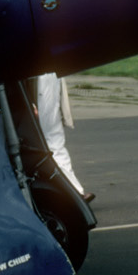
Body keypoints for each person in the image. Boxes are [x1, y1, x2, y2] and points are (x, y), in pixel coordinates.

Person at [35, 72, 92, 203]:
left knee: (54, 141)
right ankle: (73, 192)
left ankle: (74, 191)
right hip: (40, 79)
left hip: (48, 78)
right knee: (52, 141)